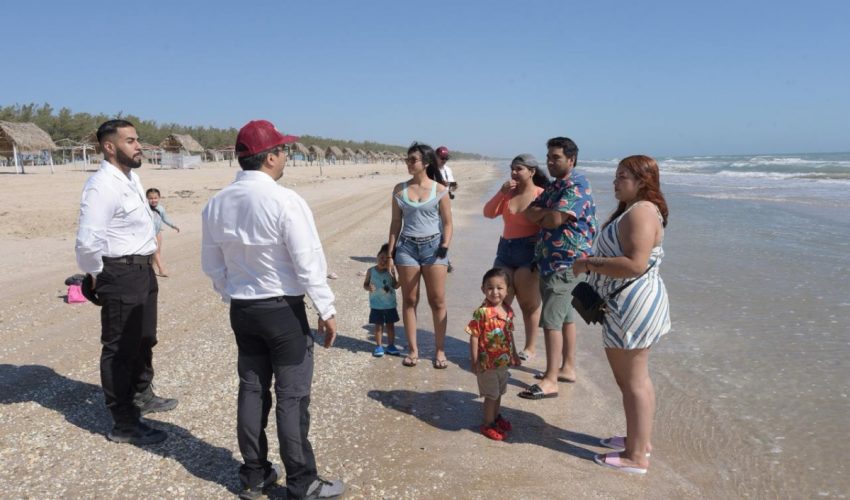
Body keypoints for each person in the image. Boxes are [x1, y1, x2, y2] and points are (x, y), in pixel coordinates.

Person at [201, 120, 345, 500]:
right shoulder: (285, 201)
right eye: (283, 151)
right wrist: (326, 308)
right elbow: (308, 263)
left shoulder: (217, 203)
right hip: (282, 312)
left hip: (243, 310)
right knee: (291, 396)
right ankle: (302, 481)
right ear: (269, 158)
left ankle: (254, 475)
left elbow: (212, 265)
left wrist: (232, 295)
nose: (286, 157)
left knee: (252, 389)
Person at [75, 119, 178, 445]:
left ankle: (142, 394)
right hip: (118, 272)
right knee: (119, 347)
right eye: (130, 141)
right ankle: (124, 421)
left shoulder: (132, 179)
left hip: (142, 270)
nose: (138, 146)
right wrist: (95, 275)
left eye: (137, 140)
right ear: (109, 147)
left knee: (145, 337)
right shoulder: (101, 185)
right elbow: (87, 241)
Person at [572, 155, 671, 475]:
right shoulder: (636, 209)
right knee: (632, 379)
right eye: (616, 176)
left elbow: (635, 264)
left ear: (642, 181)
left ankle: (636, 456)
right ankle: (639, 440)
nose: (615, 182)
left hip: (632, 305)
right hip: (628, 304)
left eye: (622, 177)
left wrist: (588, 264)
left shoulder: (641, 212)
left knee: (633, 381)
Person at [518, 137, 596, 400]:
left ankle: (550, 380)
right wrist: (545, 214)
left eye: (556, 157)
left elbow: (552, 220)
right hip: (549, 260)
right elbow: (529, 211)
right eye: (548, 157)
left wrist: (544, 215)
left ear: (571, 160)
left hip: (566, 262)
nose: (550, 162)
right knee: (564, 317)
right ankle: (567, 368)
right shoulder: (555, 186)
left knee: (551, 319)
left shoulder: (577, 185)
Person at [387, 142, 452, 369]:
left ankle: (440, 350)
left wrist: (445, 246)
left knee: (437, 300)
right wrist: (390, 253)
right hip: (407, 248)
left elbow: (447, 223)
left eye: (412, 160)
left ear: (425, 163)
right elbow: (396, 223)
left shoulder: (440, 190)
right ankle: (413, 350)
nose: (408, 163)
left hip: (434, 248)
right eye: (407, 159)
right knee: (410, 300)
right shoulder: (399, 189)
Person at [483, 154, 549, 362]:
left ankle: (530, 347)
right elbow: (488, 213)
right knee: (499, 301)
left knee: (528, 304)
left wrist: (541, 241)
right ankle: (506, 347)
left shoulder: (542, 194)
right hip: (505, 250)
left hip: (528, 253)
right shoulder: (508, 194)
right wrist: (501, 193)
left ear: (532, 171)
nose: (514, 172)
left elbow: (551, 223)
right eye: (512, 168)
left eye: (519, 169)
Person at [465, 268, 521, 441]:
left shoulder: (508, 310)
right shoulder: (482, 313)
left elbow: (509, 334)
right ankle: (488, 424)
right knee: (491, 395)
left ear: (507, 290)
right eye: (490, 288)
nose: (495, 292)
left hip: (503, 362)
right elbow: (474, 336)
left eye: (499, 288)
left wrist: (514, 354)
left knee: (499, 392)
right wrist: (474, 360)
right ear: (483, 289)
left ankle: (496, 418)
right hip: (487, 364)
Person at [363, 243, 402, 357]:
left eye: (386, 260)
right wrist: (368, 287)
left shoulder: (391, 271)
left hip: (390, 305)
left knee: (390, 326)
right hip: (376, 305)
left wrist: (401, 280)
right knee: (378, 327)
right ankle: (379, 346)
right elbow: (365, 284)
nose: (383, 261)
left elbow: (395, 286)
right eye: (381, 257)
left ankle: (391, 345)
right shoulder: (371, 271)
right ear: (377, 255)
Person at [145, 188, 180, 277]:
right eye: (151, 198)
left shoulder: (160, 208)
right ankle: (161, 269)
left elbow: (165, 219)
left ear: (159, 198)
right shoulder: (145, 209)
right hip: (148, 234)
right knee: (154, 252)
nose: (153, 200)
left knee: (157, 252)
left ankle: (151, 269)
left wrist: (173, 225)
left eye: (155, 198)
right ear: (147, 198)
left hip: (158, 233)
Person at [435, 145, 457, 273]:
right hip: (433, 207)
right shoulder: (429, 170)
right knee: (438, 234)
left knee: (445, 234)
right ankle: (444, 260)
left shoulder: (448, 170)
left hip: (446, 206)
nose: (444, 160)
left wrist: (453, 186)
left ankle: (443, 259)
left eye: (446, 158)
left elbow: (452, 185)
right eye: (442, 158)